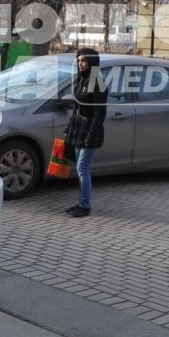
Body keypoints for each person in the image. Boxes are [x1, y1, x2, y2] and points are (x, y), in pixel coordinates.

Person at [65, 48, 108, 218]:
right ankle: (82, 202)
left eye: (83, 61)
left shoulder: (98, 83)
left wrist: (91, 135)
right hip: (79, 129)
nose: (80, 63)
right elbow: (77, 107)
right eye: (78, 60)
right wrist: (69, 130)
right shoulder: (81, 79)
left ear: (92, 62)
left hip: (91, 131)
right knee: (79, 167)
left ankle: (85, 205)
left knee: (82, 167)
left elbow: (100, 114)